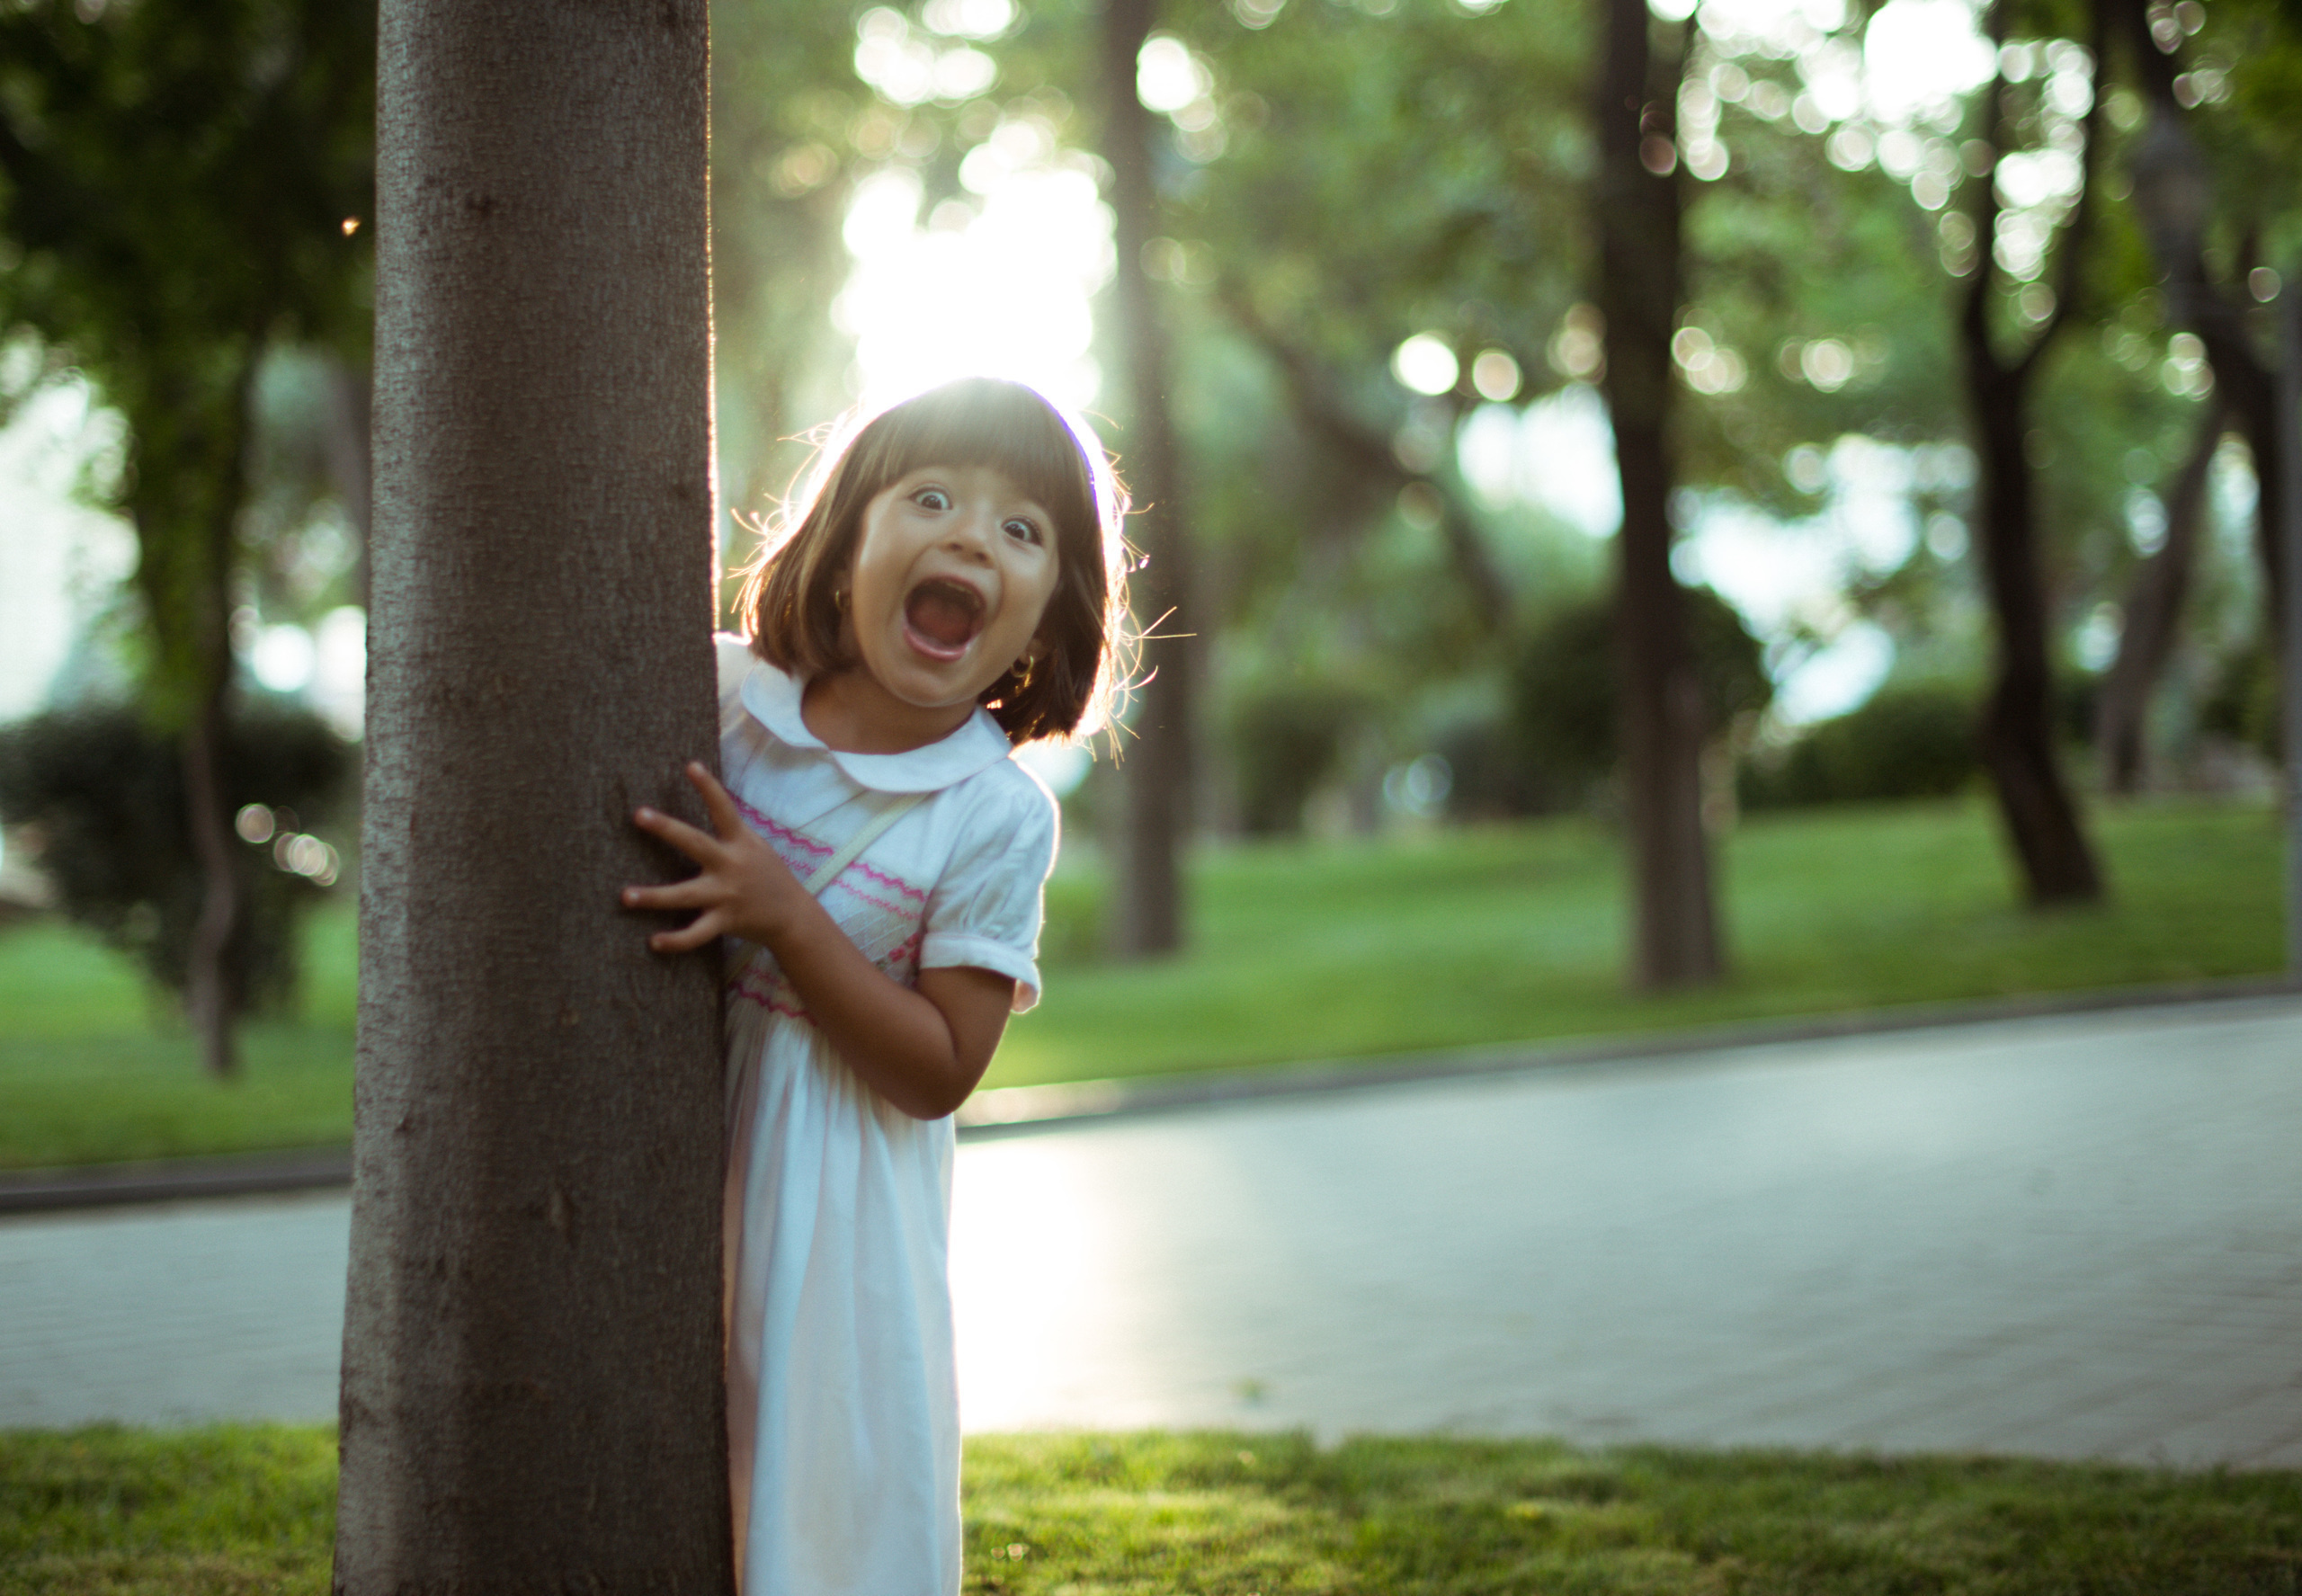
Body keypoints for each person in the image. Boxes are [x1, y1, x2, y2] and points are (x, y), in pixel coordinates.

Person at [620, 376, 1129, 1595]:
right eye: (935, 497)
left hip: (837, 1238)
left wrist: (787, 919)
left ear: (1048, 621)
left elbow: (941, 1069)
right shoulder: (726, 704)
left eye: (1022, 529)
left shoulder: (992, 816)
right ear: (845, 540)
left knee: (816, 1521)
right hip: (668, 1185)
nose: (969, 535)